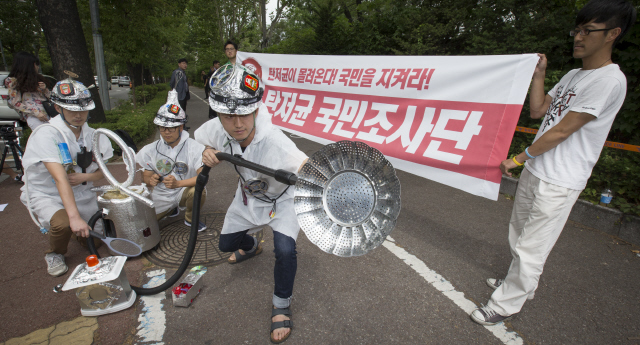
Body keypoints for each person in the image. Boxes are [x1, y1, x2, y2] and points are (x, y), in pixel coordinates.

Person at [470, 0, 636, 326]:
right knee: (518, 235)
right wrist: (540, 75)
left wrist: (518, 159)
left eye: (588, 30)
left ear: (612, 34)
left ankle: (504, 305)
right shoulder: (575, 74)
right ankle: (520, 285)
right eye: (577, 29)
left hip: (561, 178)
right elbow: (539, 110)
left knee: (533, 246)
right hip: (537, 168)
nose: (578, 36)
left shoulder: (609, 81)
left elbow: (562, 130)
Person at [195, 64, 307, 344]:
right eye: (229, 115)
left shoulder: (276, 141)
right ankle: (252, 246)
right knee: (226, 245)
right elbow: (198, 140)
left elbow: (306, 166)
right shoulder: (217, 129)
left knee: (285, 250)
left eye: (245, 113)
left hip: (283, 200)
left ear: (256, 109)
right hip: (247, 197)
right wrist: (208, 151)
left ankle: (281, 303)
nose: (238, 124)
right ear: (218, 114)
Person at [20, 77, 113, 276]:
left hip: (81, 192)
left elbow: (104, 173)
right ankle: (54, 252)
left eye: (83, 110)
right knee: (63, 223)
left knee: (95, 241)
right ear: (57, 107)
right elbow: (60, 178)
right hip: (49, 193)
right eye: (72, 110)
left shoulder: (93, 135)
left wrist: (84, 179)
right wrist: (74, 218)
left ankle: (76, 229)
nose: (78, 115)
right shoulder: (47, 134)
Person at [136, 90, 207, 231]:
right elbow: (145, 176)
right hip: (161, 195)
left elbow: (203, 177)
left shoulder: (195, 147)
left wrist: (178, 184)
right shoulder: (150, 149)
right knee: (144, 228)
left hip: (183, 190)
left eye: (171, 128)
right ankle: (171, 209)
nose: (166, 132)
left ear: (181, 127)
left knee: (199, 190)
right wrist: (151, 180)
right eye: (163, 128)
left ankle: (191, 219)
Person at [4, 52, 51, 130]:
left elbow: (51, 97)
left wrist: (45, 90)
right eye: (35, 64)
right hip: (35, 117)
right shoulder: (13, 81)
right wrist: (36, 113)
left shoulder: (37, 79)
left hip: (49, 114)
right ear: (28, 66)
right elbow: (16, 103)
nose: (37, 67)